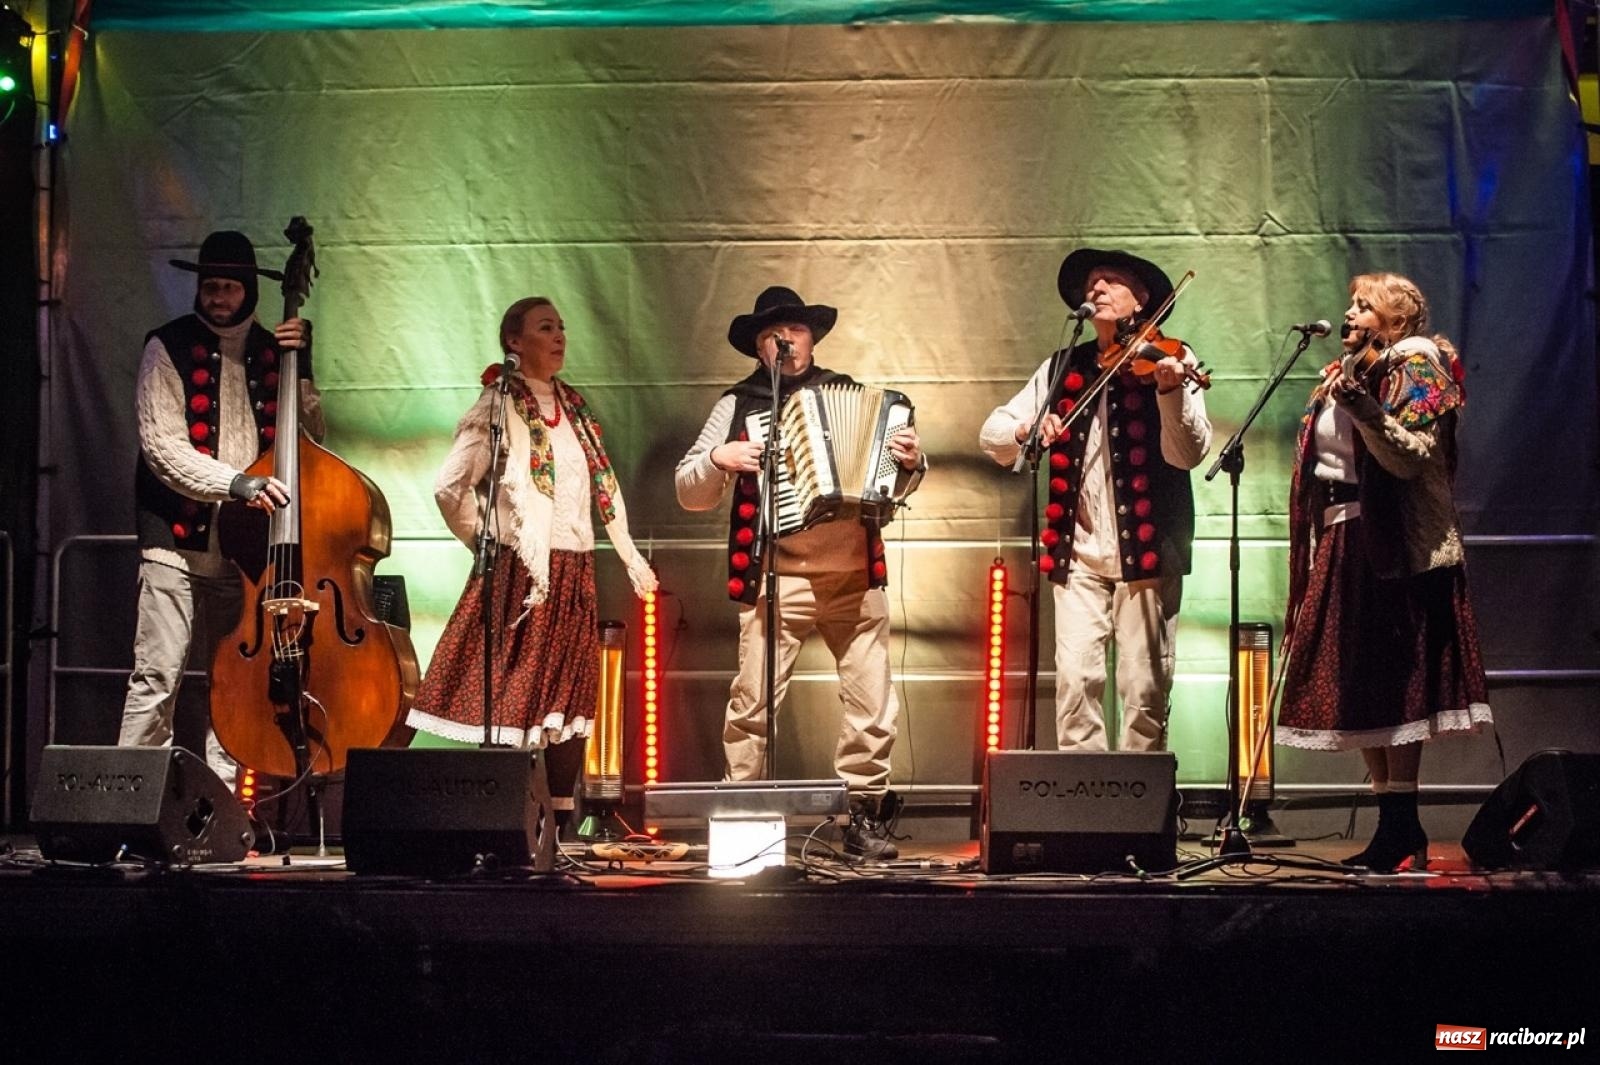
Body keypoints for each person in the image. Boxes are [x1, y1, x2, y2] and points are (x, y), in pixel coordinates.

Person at [675, 286, 926, 860]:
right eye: (770, 333)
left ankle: (862, 816)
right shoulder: (737, 405)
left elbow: (892, 483)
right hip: (778, 576)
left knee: (872, 703)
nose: (784, 340)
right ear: (757, 347)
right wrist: (721, 459)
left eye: (794, 330)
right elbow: (687, 489)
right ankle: (746, 817)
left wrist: (912, 463)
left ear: (812, 337)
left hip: (852, 576)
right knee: (753, 701)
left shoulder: (854, 396)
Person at [407, 297, 657, 823]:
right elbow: (450, 486)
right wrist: (487, 541)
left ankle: (561, 825)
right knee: (513, 695)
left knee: (568, 699)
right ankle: (504, 823)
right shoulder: (496, 408)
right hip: (524, 573)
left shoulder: (575, 410)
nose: (560, 336)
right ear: (515, 343)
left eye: (562, 327)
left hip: (574, 569)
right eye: (546, 328)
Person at [1277, 272, 1491, 872]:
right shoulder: (1353, 373)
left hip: (1392, 541)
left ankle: (1401, 824)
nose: (1348, 313)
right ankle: (1396, 825)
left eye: (1364, 306)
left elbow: (1408, 455)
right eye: (1350, 303)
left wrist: (1362, 405)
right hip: (1346, 535)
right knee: (1356, 681)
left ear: (1396, 321)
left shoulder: (1417, 363)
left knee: (1396, 678)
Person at [979, 249, 1211, 752]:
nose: (1097, 288)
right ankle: (1085, 808)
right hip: (1078, 550)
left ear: (1142, 300)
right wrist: (1026, 428)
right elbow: (992, 435)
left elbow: (1188, 453)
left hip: (1147, 550)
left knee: (1145, 686)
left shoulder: (1171, 358)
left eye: (1111, 281)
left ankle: (1139, 811)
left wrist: (1170, 392)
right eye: (1093, 283)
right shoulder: (1065, 366)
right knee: (1076, 682)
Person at [119, 230, 322, 787]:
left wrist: (302, 365)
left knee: (235, 686)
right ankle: (134, 806)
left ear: (250, 291)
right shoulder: (167, 345)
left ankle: (225, 810)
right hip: (174, 544)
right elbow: (162, 448)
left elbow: (311, 439)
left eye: (230, 287)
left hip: (244, 550)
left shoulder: (272, 349)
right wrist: (236, 484)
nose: (218, 296)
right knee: (156, 677)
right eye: (211, 285)